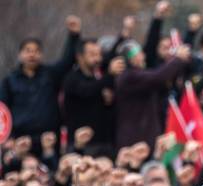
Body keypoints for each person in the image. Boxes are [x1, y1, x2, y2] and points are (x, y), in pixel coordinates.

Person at [0, 16, 81, 157]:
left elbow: (67, 61)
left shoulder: (50, 75)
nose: (32, 54)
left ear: (41, 55)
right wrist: (8, 137)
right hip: (20, 140)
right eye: (28, 50)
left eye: (36, 51)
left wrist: (73, 36)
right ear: (20, 54)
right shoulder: (9, 81)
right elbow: (2, 111)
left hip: (48, 139)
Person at [114, 40, 191, 150]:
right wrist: (177, 59)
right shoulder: (129, 77)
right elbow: (158, 76)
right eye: (140, 53)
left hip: (146, 136)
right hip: (135, 140)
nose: (143, 56)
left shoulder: (138, 76)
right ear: (131, 58)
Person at [63, 39, 125, 157]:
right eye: (92, 54)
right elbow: (87, 90)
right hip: (82, 145)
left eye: (99, 54)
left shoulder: (98, 78)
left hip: (104, 142)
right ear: (80, 57)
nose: (97, 59)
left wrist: (109, 101)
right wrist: (110, 74)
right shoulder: (71, 78)